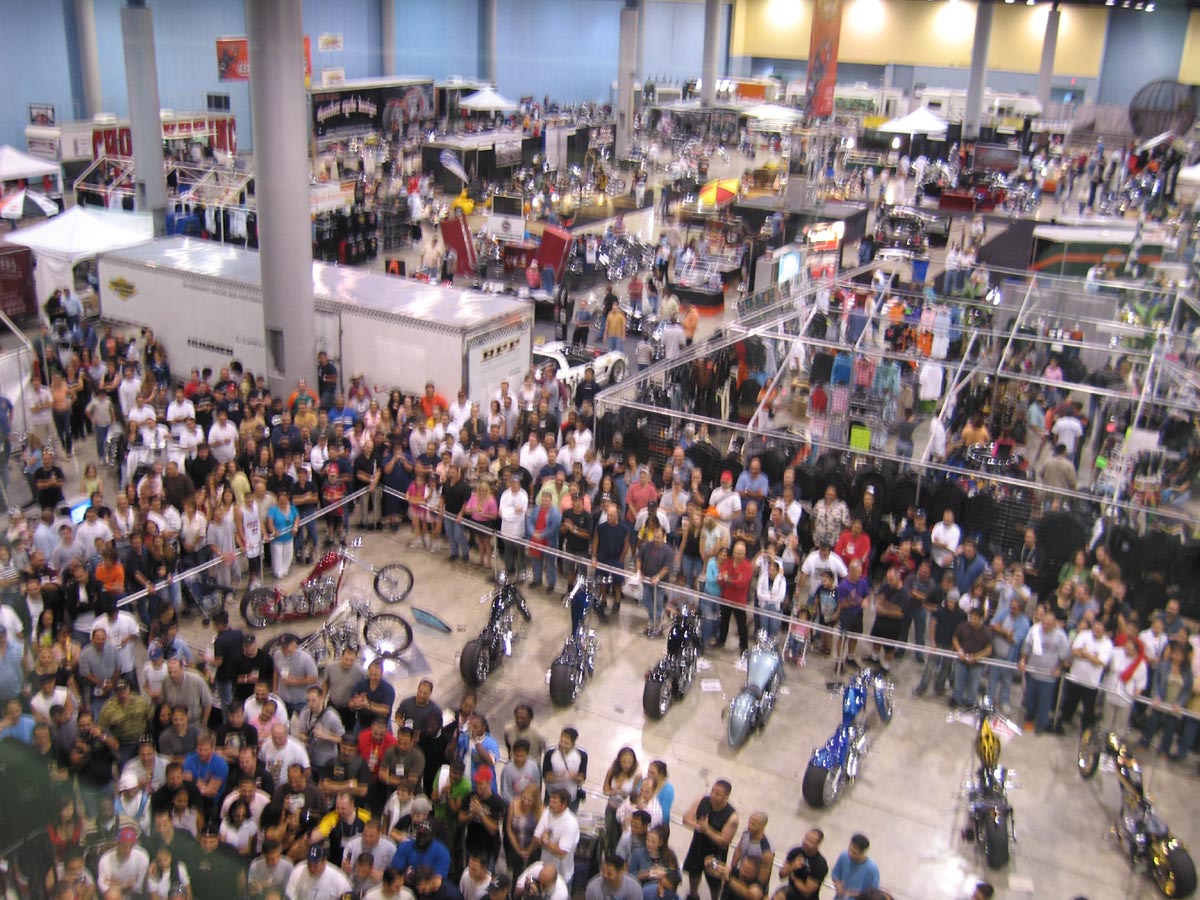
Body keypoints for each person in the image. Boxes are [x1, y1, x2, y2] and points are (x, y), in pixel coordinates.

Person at [682, 780, 738, 900]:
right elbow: (686, 818)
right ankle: (693, 895)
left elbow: (724, 842)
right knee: (693, 872)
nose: (713, 795)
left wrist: (707, 830)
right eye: (712, 791)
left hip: (716, 853)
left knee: (714, 882)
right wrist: (698, 826)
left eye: (717, 794)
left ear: (726, 796)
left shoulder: (732, 817)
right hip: (697, 845)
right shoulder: (702, 800)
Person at [533, 788, 581, 888]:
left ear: (564, 804)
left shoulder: (570, 823)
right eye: (550, 800)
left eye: (555, 802)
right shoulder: (547, 812)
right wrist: (554, 845)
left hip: (562, 875)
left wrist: (546, 840)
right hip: (545, 871)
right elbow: (537, 838)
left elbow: (561, 852)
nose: (551, 804)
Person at [286, 843, 352, 900]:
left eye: (315, 865)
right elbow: (289, 896)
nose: (311, 868)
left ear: (324, 862)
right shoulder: (298, 872)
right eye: (309, 864)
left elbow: (348, 895)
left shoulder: (338, 877)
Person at [775, 829, 827, 900]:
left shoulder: (820, 864)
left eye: (810, 841)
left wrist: (793, 877)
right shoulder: (796, 851)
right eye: (806, 838)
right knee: (779, 896)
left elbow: (806, 892)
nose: (806, 842)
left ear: (817, 844)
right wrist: (792, 867)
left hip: (807, 898)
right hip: (791, 890)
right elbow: (782, 875)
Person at [830, 834, 879, 900]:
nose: (850, 854)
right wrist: (837, 884)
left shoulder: (872, 869)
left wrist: (854, 894)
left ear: (862, 853)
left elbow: (873, 893)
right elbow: (835, 873)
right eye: (849, 850)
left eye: (854, 853)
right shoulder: (844, 856)